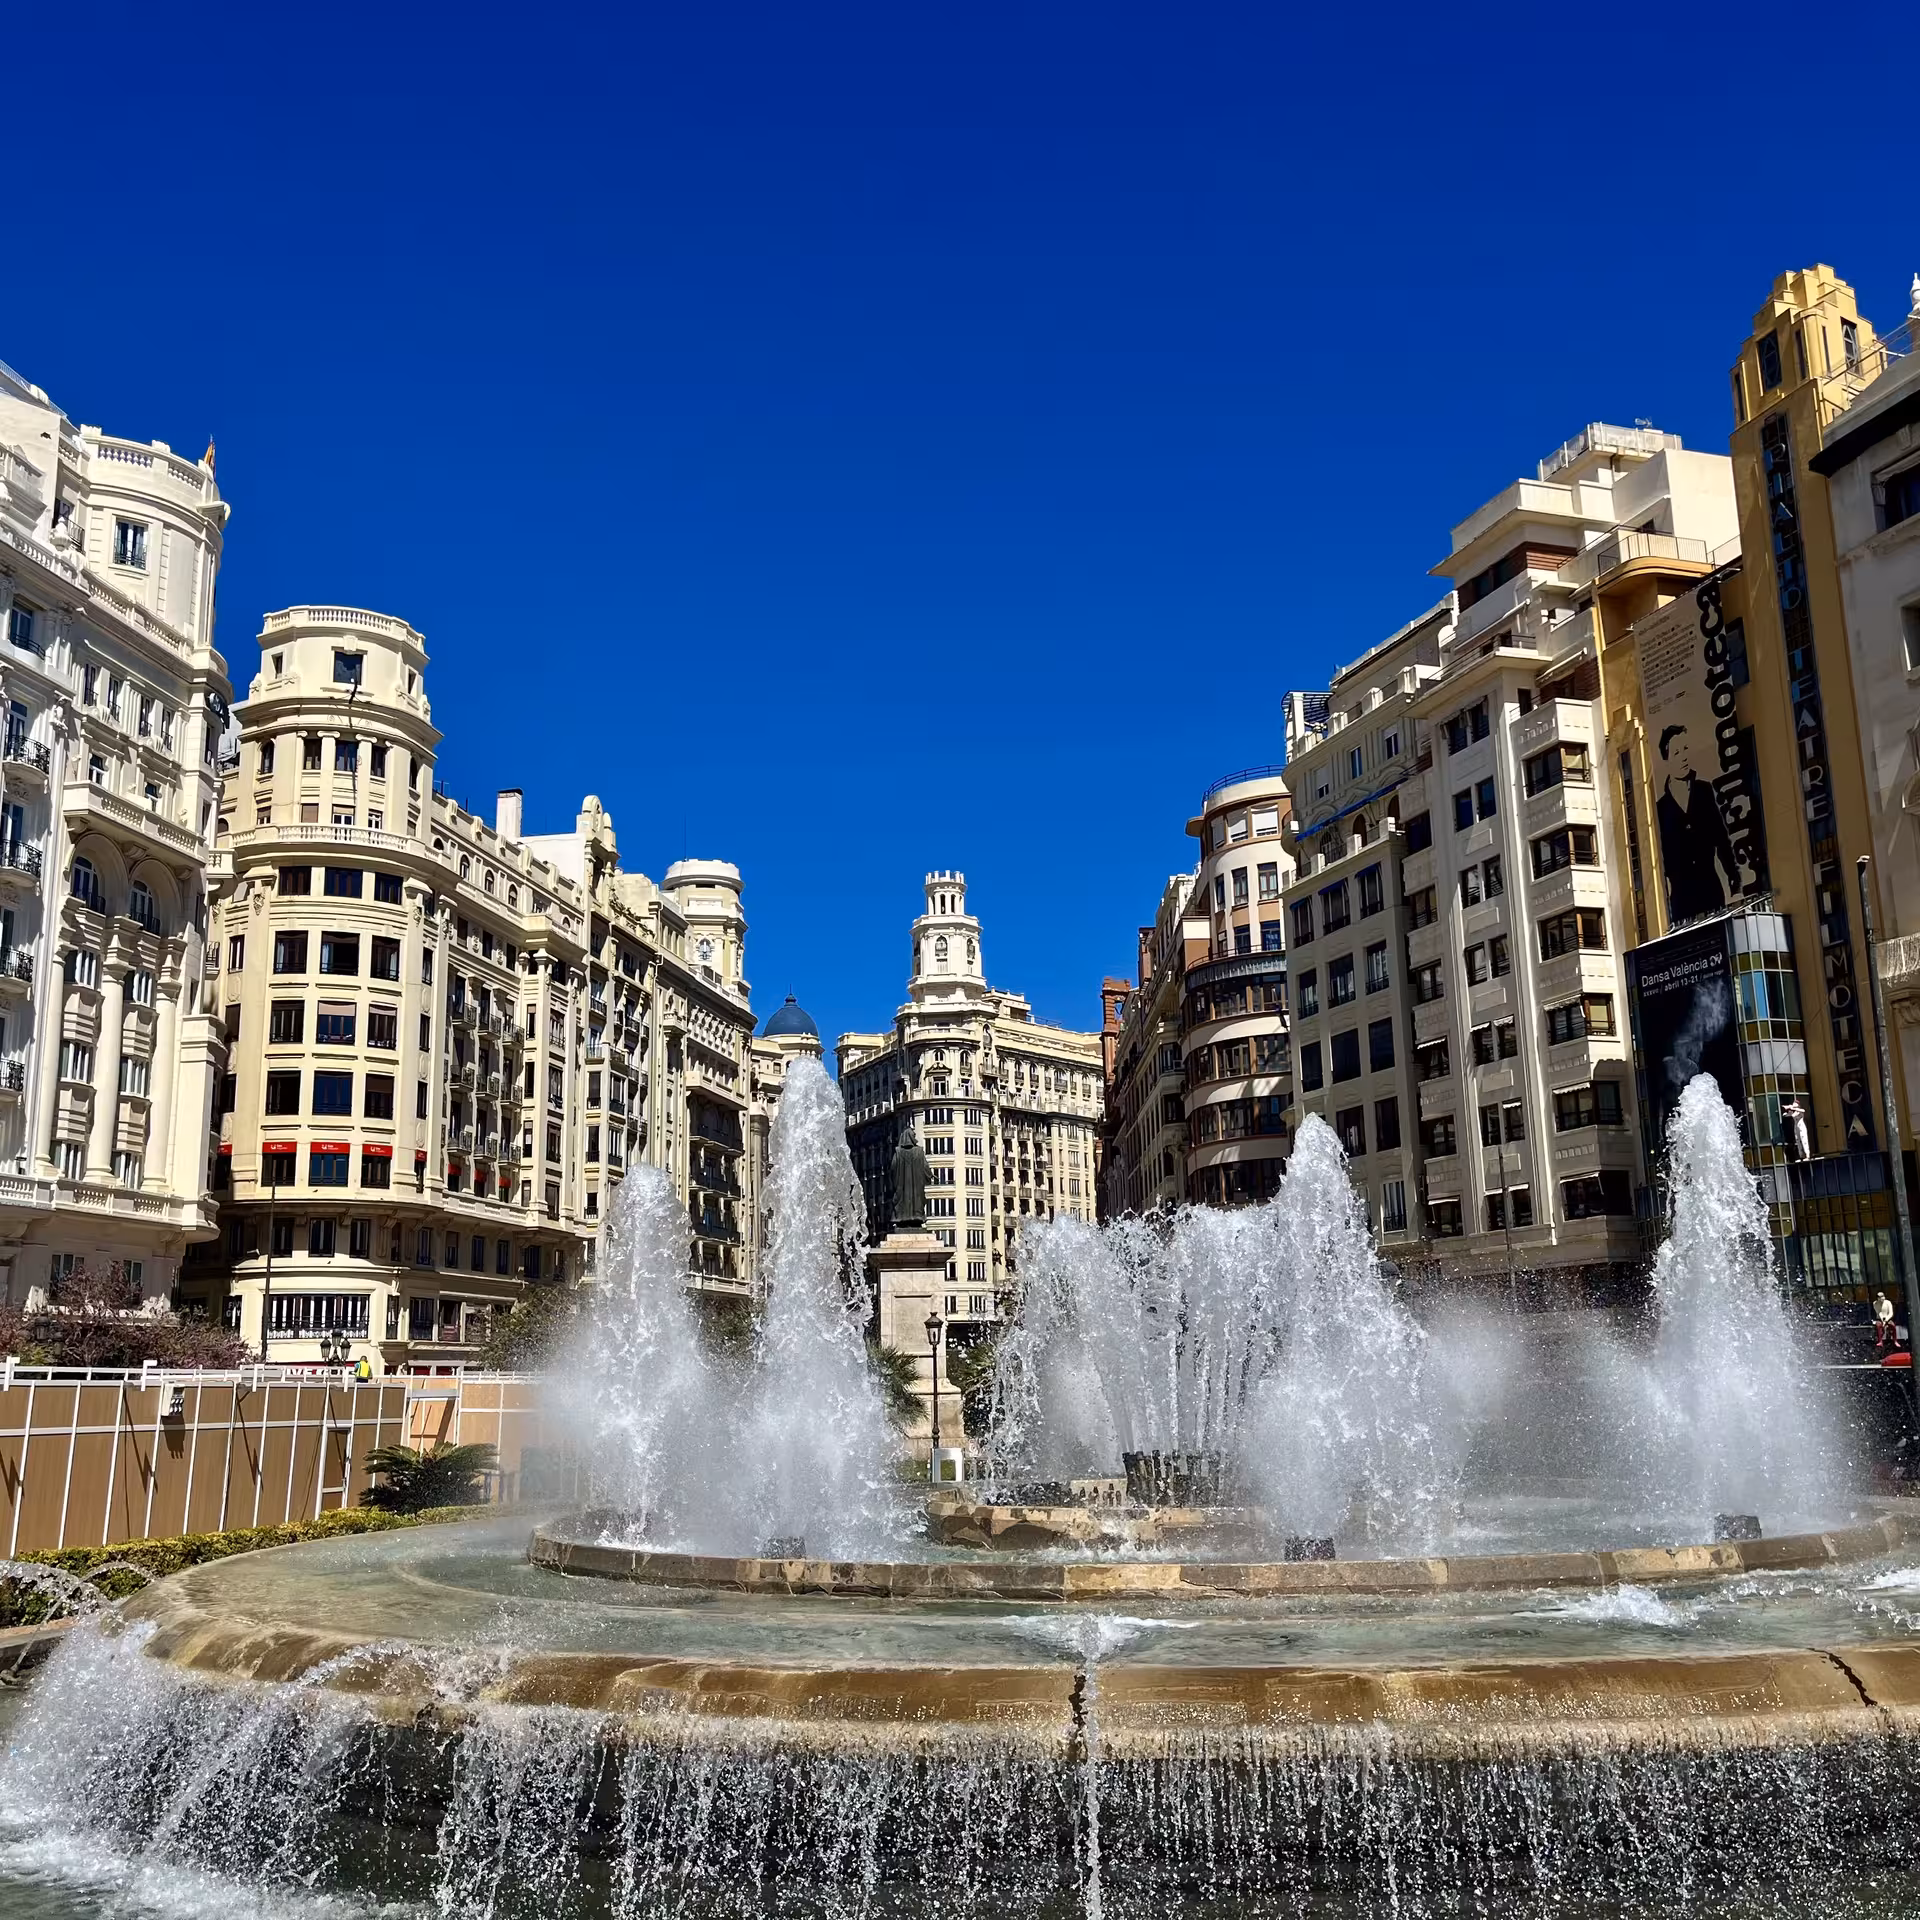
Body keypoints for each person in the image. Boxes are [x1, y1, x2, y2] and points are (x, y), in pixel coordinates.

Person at [1655, 723, 1740, 924]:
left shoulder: (1704, 790)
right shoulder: (1661, 807)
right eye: (1676, 752)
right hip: (1682, 900)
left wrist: (1732, 873)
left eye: (1685, 749)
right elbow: (1661, 857)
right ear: (1666, 759)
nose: (1683, 757)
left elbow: (1720, 836)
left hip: (1710, 889)